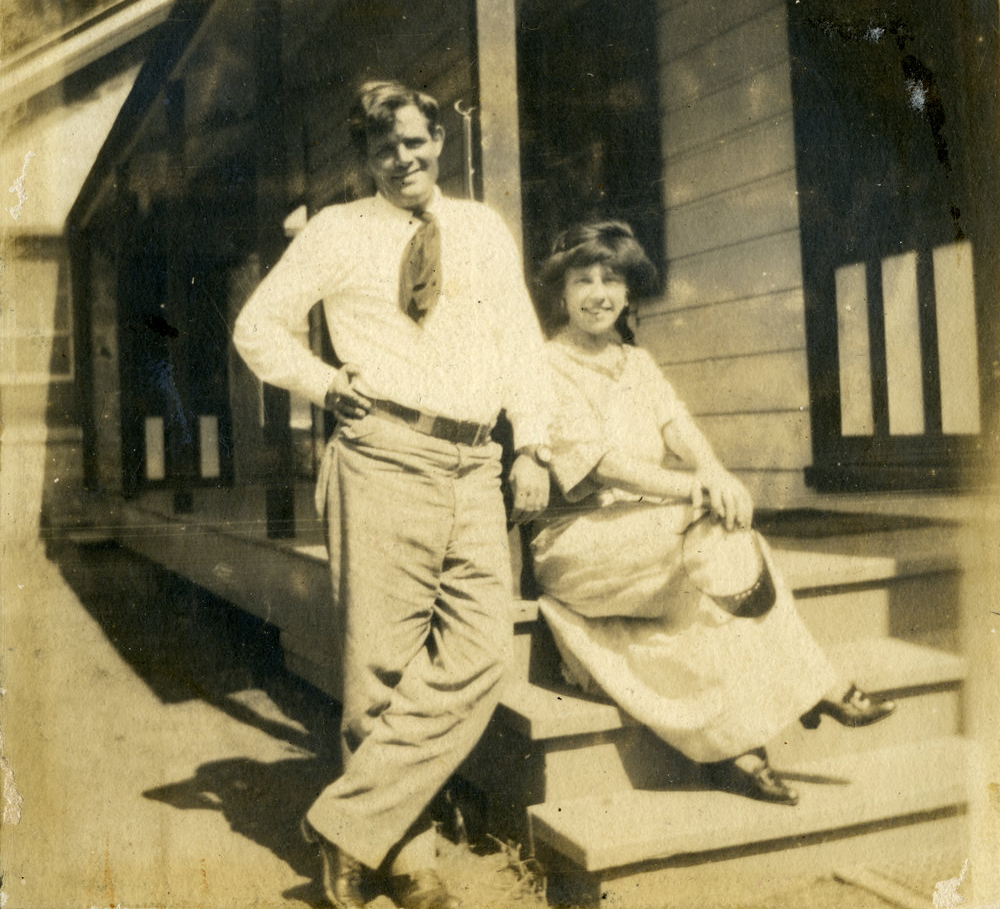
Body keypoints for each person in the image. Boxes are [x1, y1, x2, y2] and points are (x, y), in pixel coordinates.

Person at [233, 81, 552, 909]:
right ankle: (406, 859)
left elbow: (520, 340)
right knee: (381, 663)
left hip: (476, 460)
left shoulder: (481, 229)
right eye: (384, 148)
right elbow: (257, 326)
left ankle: (344, 824)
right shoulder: (338, 231)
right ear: (366, 158)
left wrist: (534, 445)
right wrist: (323, 381)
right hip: (383, 452)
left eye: (414, 142)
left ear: (439, 141)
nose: (403, 159)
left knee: (482, 652)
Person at [529, 220, 894, 806]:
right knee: (720, 546)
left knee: (724, 568)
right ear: (561, 292)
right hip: (578, 540)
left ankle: (740, 753)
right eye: (583, 280)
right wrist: (697, 490)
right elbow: (604, 466)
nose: (598, 294)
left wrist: (717, 473)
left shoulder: (635, 362)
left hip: (648, 534)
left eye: (611, 279)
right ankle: (816, 686)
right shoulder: (546, 364)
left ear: (628, 290)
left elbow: (679, 427)